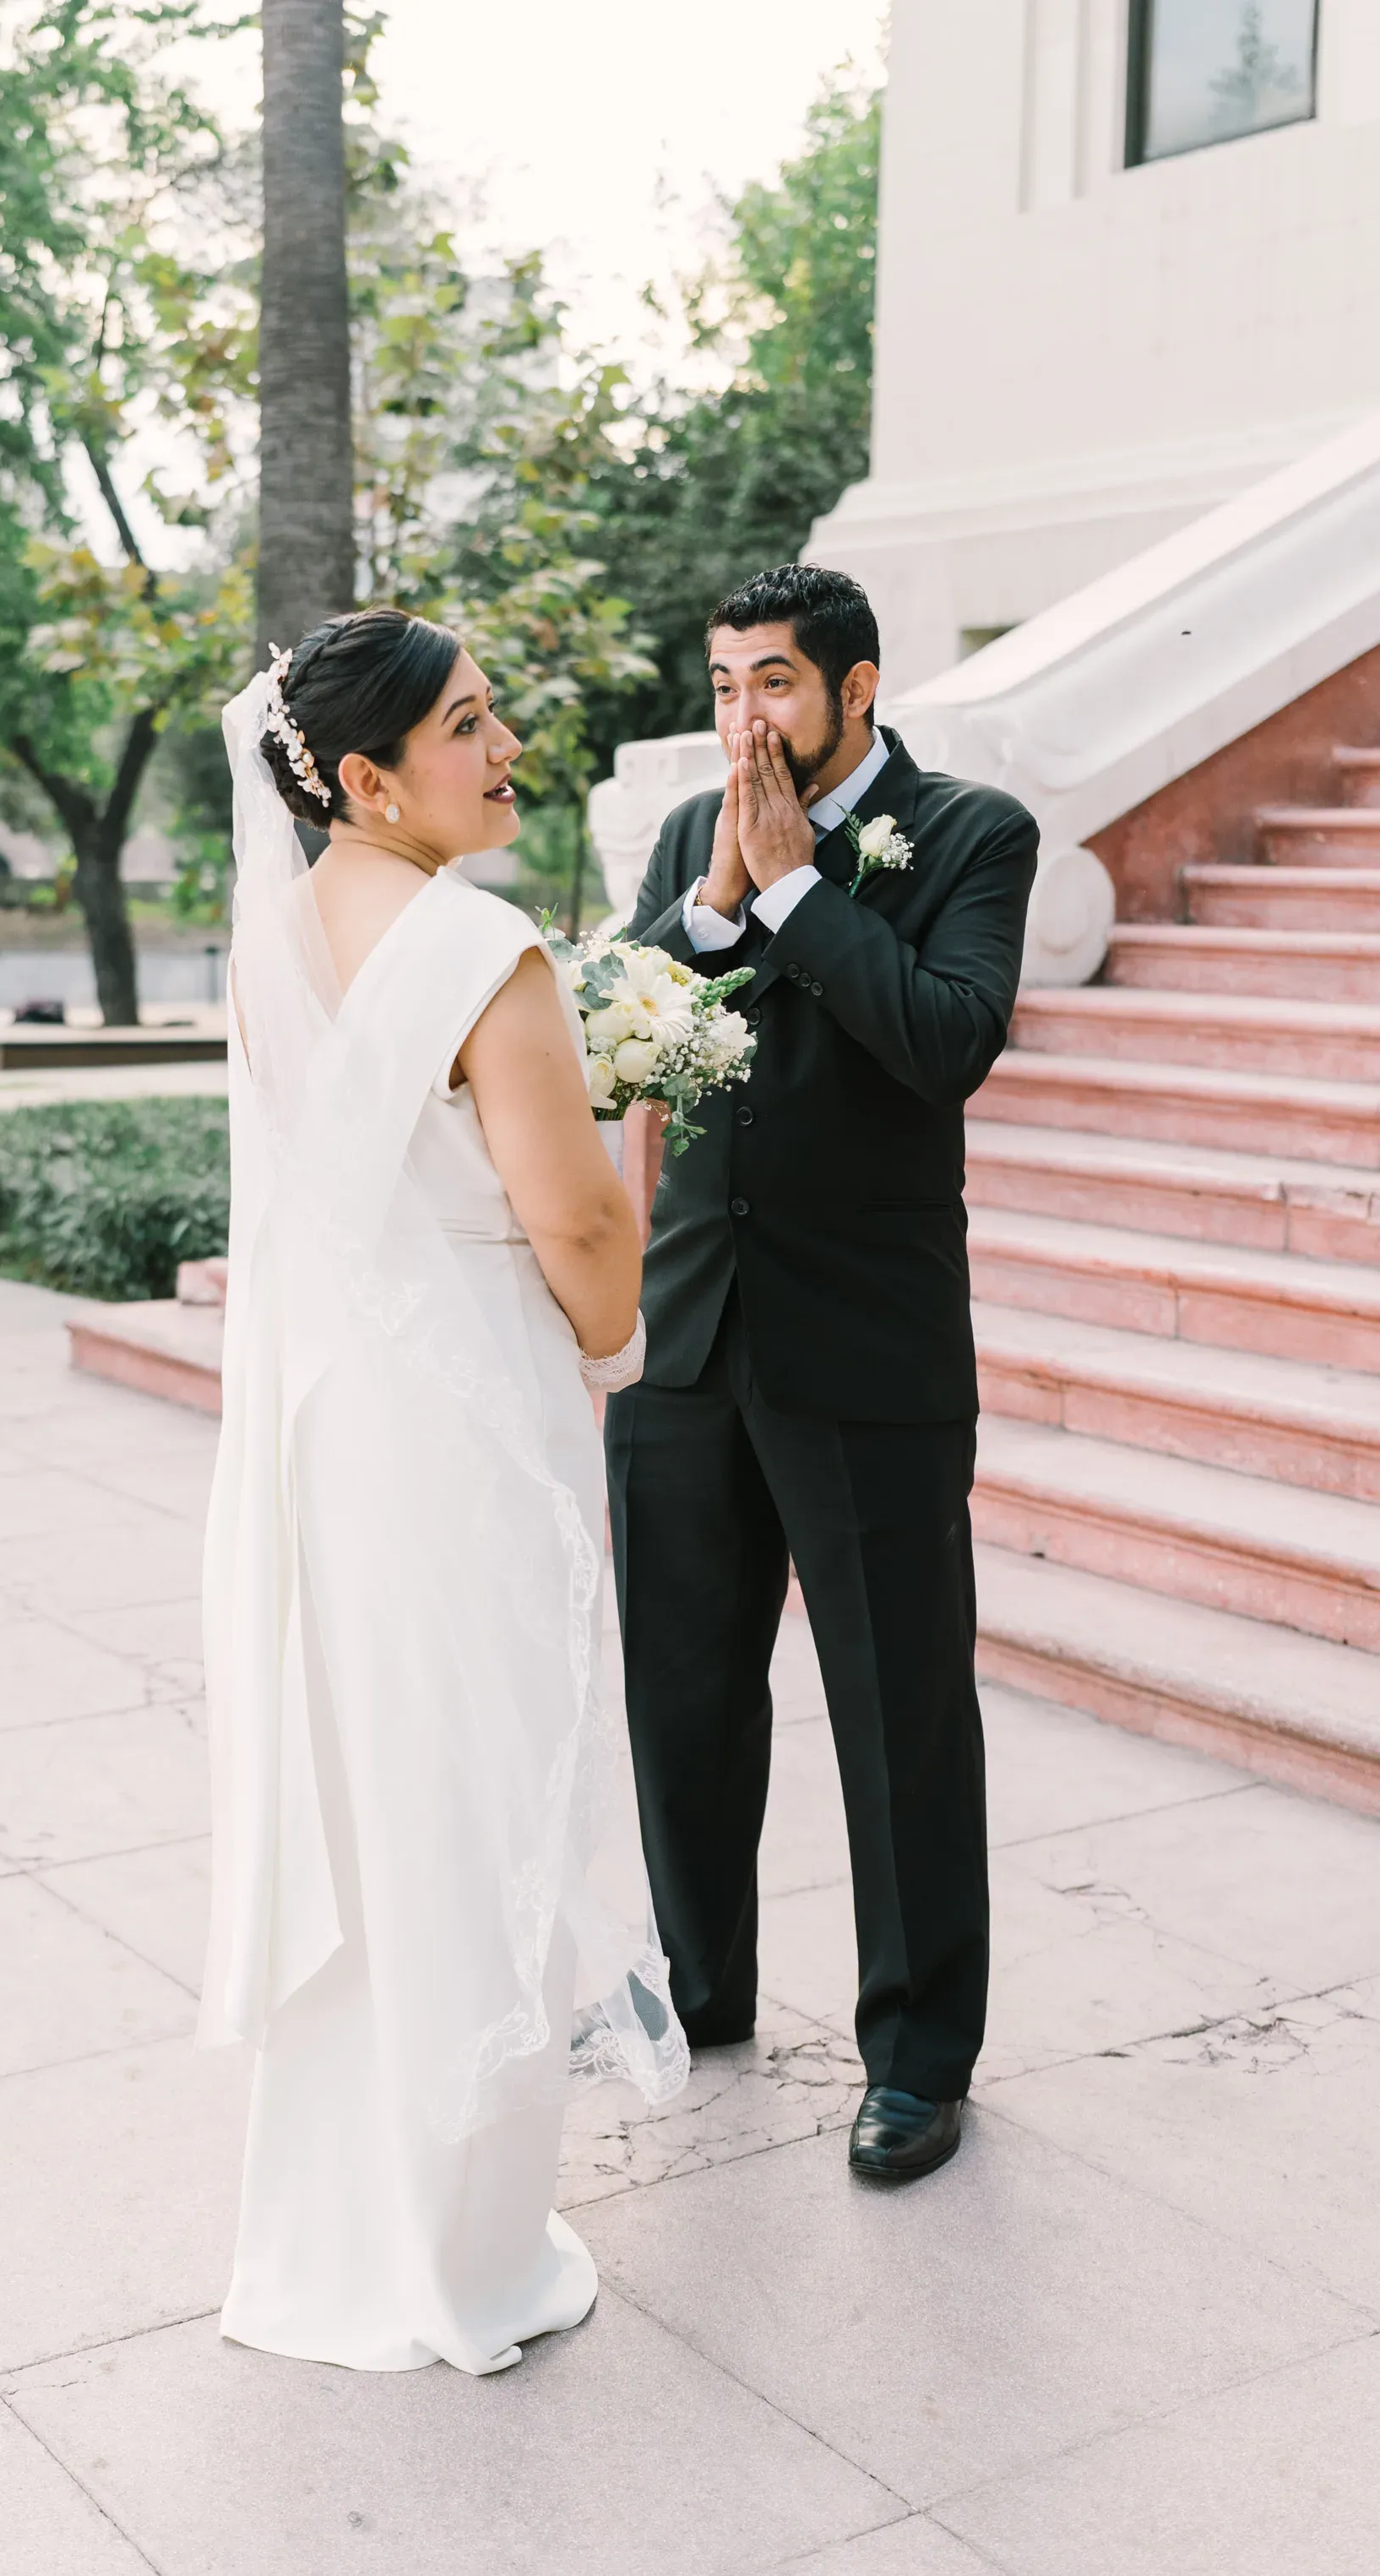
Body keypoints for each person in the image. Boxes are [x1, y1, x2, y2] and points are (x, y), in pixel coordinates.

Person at [199, 607, 686, 2376]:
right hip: (466, 1426)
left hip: (332, 1435)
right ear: (364, 777)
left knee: (361, 1796)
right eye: (466, 725)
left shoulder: (268, 943)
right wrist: (619, 1338)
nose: (504, 748)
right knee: (471, 1802)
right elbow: (578, 1224)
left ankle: (331, 2235)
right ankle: (458, 2254)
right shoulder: (482, 948)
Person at [606, 563, 1038, 2182]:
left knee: (898, 1710)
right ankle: (701, 1988)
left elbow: (946, 1039)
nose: (743, 717)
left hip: (867, 1351)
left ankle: (920, 2057)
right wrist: (717, 901)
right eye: (725, 684)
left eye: (772, 683)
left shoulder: (973, 833)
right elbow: (620, 1040)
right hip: (688, 1339)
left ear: (856, 690)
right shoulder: (685, 835)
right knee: (682, 1696)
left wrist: (797, 893)